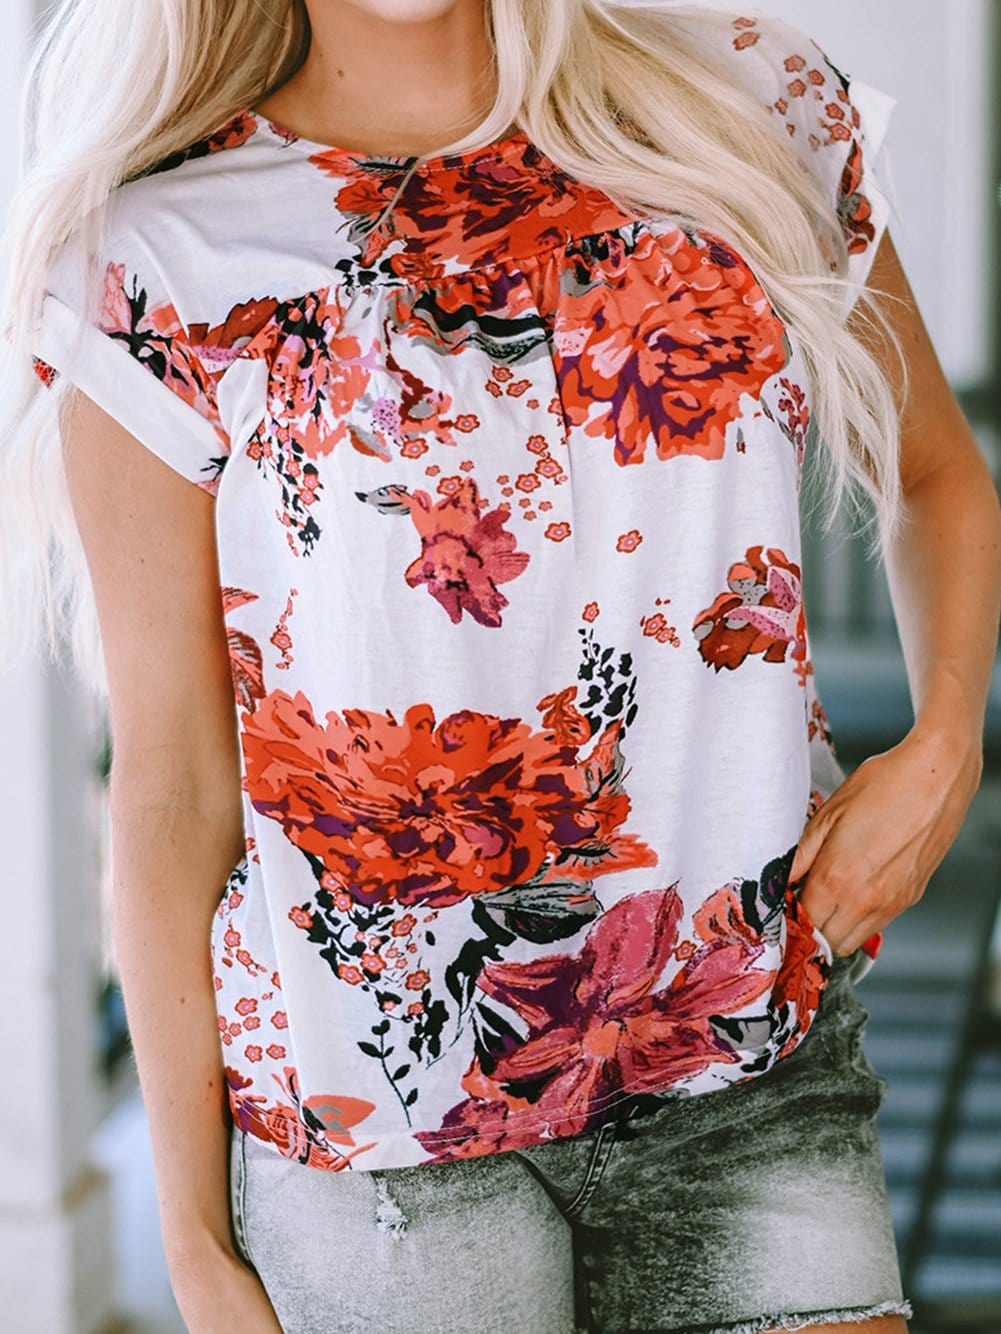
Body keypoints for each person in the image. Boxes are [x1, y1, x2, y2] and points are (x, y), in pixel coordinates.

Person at [2, 0, 998, 1330]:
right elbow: (176, 783)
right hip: (370, 1132)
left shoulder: (746, 109)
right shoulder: (152, 258)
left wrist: (942, 744)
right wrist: (194, 1240)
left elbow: (933, 473)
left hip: (744, 1055)